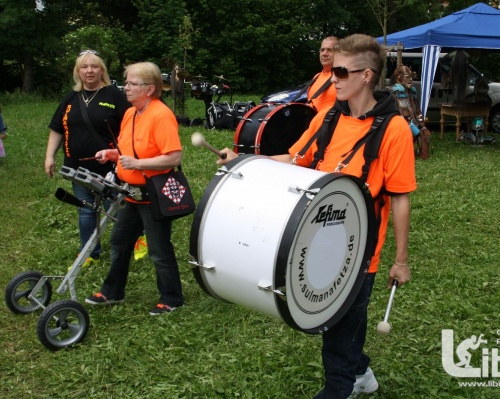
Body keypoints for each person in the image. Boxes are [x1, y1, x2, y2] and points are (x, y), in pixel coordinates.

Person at [218, 34, 416, 398]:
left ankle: (340, 386)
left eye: (340, 70)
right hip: (316, 236)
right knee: (336, 319)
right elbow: (295, 160)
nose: (332, 77)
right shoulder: (329, 117)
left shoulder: (395, 130)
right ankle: (360, 372)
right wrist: (246, 160)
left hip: (359, 249)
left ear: (367, 75)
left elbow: (400, 198)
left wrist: (400, 260)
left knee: (341, 326)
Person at [85, 61, 185, 316]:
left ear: (149, 89)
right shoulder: (131, 113)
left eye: (132, 83)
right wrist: (113, 154)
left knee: (159, 250)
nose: (125, 88)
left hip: (153, 195)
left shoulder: (161, 115)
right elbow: (128, 151)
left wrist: (138, 163)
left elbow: (173, 157)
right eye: (126, 82)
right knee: (119, 242)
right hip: (131, 193)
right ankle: (113, 292)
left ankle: (172, 299)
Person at [46, 50, 131, 266]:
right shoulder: (71, 98)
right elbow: (57, 129)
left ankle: (133, 244)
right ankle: (89, 252)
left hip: (110, 166)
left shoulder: (114, 95)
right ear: (78, 72)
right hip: (77, 166)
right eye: (84, 67)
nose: (89, 71)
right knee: (86, 209)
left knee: (121, 207)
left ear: (102, 70)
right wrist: (50, 157)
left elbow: (131, 127)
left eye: (94, 66)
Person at [389, 64, 431, 159]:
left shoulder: (412, 91)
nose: (410, 80)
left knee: (424, 133)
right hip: (403, 122)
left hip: (414, 121)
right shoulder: (395, 91)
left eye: (411, 77)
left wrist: (422, 123)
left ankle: (421, 153)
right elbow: (402, 111)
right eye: (407, 77)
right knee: (413, 132)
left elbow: (417, 109)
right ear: (399, 78)